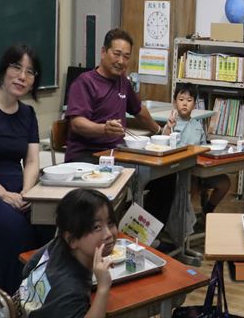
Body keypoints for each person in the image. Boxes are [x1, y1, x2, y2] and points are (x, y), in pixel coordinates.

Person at [65, 28, 174, 225]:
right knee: (122, 181)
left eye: (126, 56)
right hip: (88, 156)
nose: (121, 61)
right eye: (117, 54)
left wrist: (160, 132)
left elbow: (139, 111)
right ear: (103, 52)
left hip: (117, 154)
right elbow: (77, 124)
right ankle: (119, 228)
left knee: (167, 176)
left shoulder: (123, 82)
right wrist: (103, 129)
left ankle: (141, 232)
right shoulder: (85, 82)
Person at [0, 44, 45, 294]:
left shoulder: (28, 114)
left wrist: (27, 191)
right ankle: (4, 296)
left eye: (30, 72)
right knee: (12, 227)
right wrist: (3, 194)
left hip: (19, 191)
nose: (22, 77)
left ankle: (39, 295)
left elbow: (32, 161)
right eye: (16, 67)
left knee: (49, 222)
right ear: (4, 69)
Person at [15, 188, 117, 317]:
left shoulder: (57, 245)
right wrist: (103, 287)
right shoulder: (70, 290)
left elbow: (28, 268)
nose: (108, 234)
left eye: (110, 223)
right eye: (96, 227)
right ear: (72, 239)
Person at [163, 82, 230, 220]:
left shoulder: (198, 126)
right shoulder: (171, 123)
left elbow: (204, 149)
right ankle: (184, 221)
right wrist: (169, 127)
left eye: (189, 100)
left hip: (199, 170)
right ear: (175, 102)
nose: (185, 103)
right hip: (180, 172)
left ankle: (206, 212)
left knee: (225, 183)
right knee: (191, 184)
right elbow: (164, 142)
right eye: (181, 99)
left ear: (194, 104)